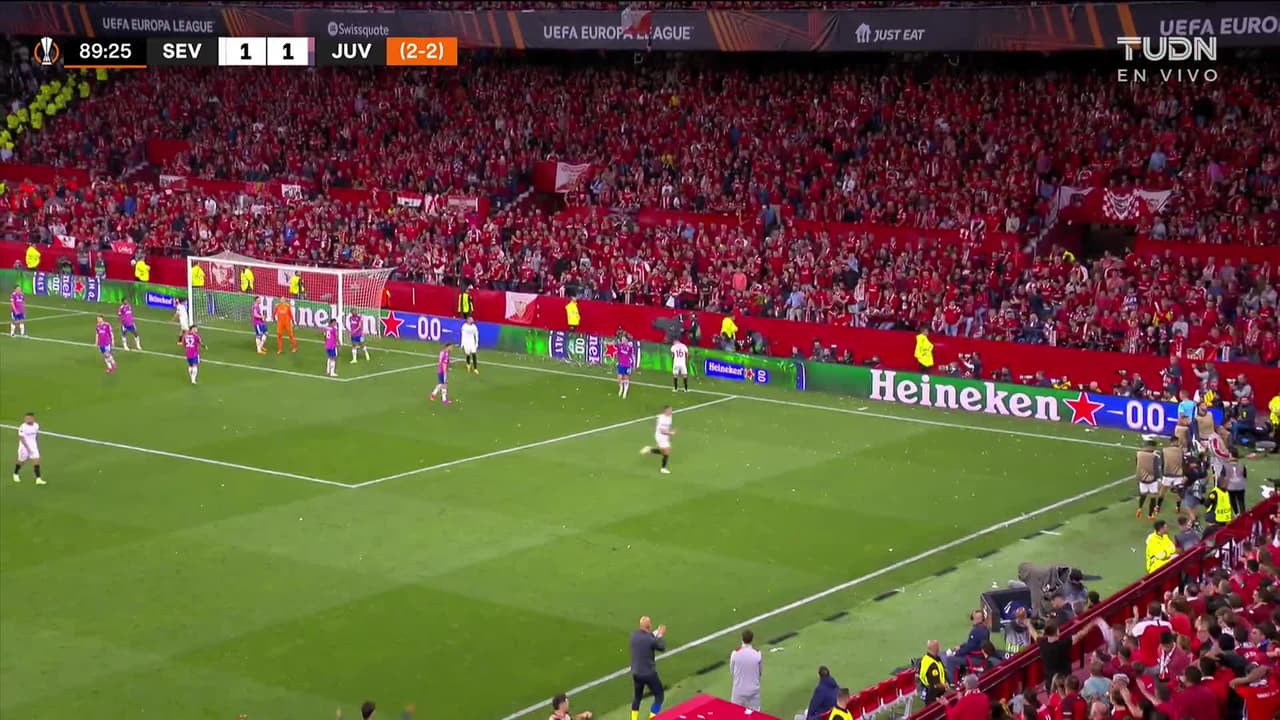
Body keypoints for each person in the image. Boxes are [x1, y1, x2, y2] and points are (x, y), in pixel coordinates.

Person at [1030, 618, 1109, 684]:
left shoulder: (1042, 643)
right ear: (1057, 631)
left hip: (1050, 682)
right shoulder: (1063, 644)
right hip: (1065, 681)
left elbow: (1034, 635)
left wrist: (1027, 623)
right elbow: (1080, 635)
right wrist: (1092, 623)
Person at [629, 616, 666, 720]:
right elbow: (662, 647)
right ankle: (652, 718)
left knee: (637, 697)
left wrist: (656, 632)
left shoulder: (633, 635)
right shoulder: (650, 640)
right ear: (649, 626)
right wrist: (660, 635)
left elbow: (647, 637)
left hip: (636, 673)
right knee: (659, 696)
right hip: (649, 674)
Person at [945, 610, 990, 682]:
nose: (972, 620)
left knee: (950, 660)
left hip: (976, 659)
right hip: (981, 657)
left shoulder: (975, 631)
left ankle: (952, 683)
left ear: (977, 619)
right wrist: (961, 646)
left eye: (973, 618)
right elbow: (972, 644)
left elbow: (969, 648)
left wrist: (956, 653)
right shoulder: (985, 630)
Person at [729, 629, 762, 710]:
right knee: (755, 714)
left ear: (742, 639)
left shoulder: (735, 653)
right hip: (753, 691)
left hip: (739, 690)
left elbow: (732, 672)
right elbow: (760, 673)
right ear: (752, 639)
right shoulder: (758, 653)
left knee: (735, 712)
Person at [640, 405, 674, 474]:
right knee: (666, 451)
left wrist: (669, 437)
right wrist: (670, 433)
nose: (671, 411)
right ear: (665, 411)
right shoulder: (661, 418)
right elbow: (662, 431)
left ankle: (650, 450)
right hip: (660, 436)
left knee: (665, 451)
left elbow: (668, 427)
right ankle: (663, 468)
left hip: (665, 436)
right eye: (669, 410)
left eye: (671, 410)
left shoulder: (670, 417)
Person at [12, 411, 43, 485]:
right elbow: (21, 438)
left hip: (33, 446)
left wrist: (35, 444)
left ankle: (38, 479)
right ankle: (15, 473)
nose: (26, 420)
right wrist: (28, 448)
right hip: (24, 447)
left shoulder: (36, 425)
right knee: (21, 461)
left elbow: (36, 435)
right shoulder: (23, 427)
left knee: (36, 460)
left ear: (33, 418)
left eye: (28, 418)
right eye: (26, 418)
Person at [1136, 438, 1160, 519]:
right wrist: (1158, 479)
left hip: (1142, 478)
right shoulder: (1154, 456)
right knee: (1153, 497)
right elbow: (1156, 469)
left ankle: (1140, 508)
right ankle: (1150, 515)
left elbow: (1137, 463)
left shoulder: (1138, 454)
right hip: (1152, 479)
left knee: (1143, 494)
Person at [616, 333, 634, 399]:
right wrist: (618, 361)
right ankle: (621, 388)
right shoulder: (620, 346)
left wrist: (632, 364)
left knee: (626, 378)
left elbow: (631, 355)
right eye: (622, 339)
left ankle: (625, 391)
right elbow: (618, 354)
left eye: (624, 339)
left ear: (627, 340)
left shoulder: (630, 347)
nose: (623, 340)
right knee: (619, 377)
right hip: (621, 364)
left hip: (627, 365)